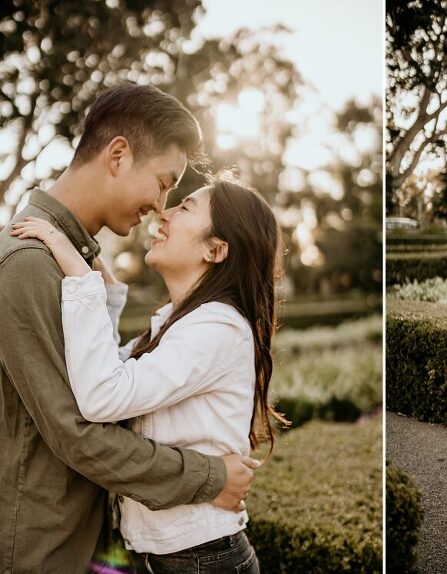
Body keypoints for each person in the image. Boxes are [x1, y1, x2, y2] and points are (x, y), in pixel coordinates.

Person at [0, 84, 257, 573]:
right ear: (117, 155)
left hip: (84, 542)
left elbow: (103, 379)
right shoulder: (28, 263)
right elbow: (79, 433)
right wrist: (210, 476)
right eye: (163, 183)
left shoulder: (71, 264)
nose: (162, 206)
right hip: (42, 550)